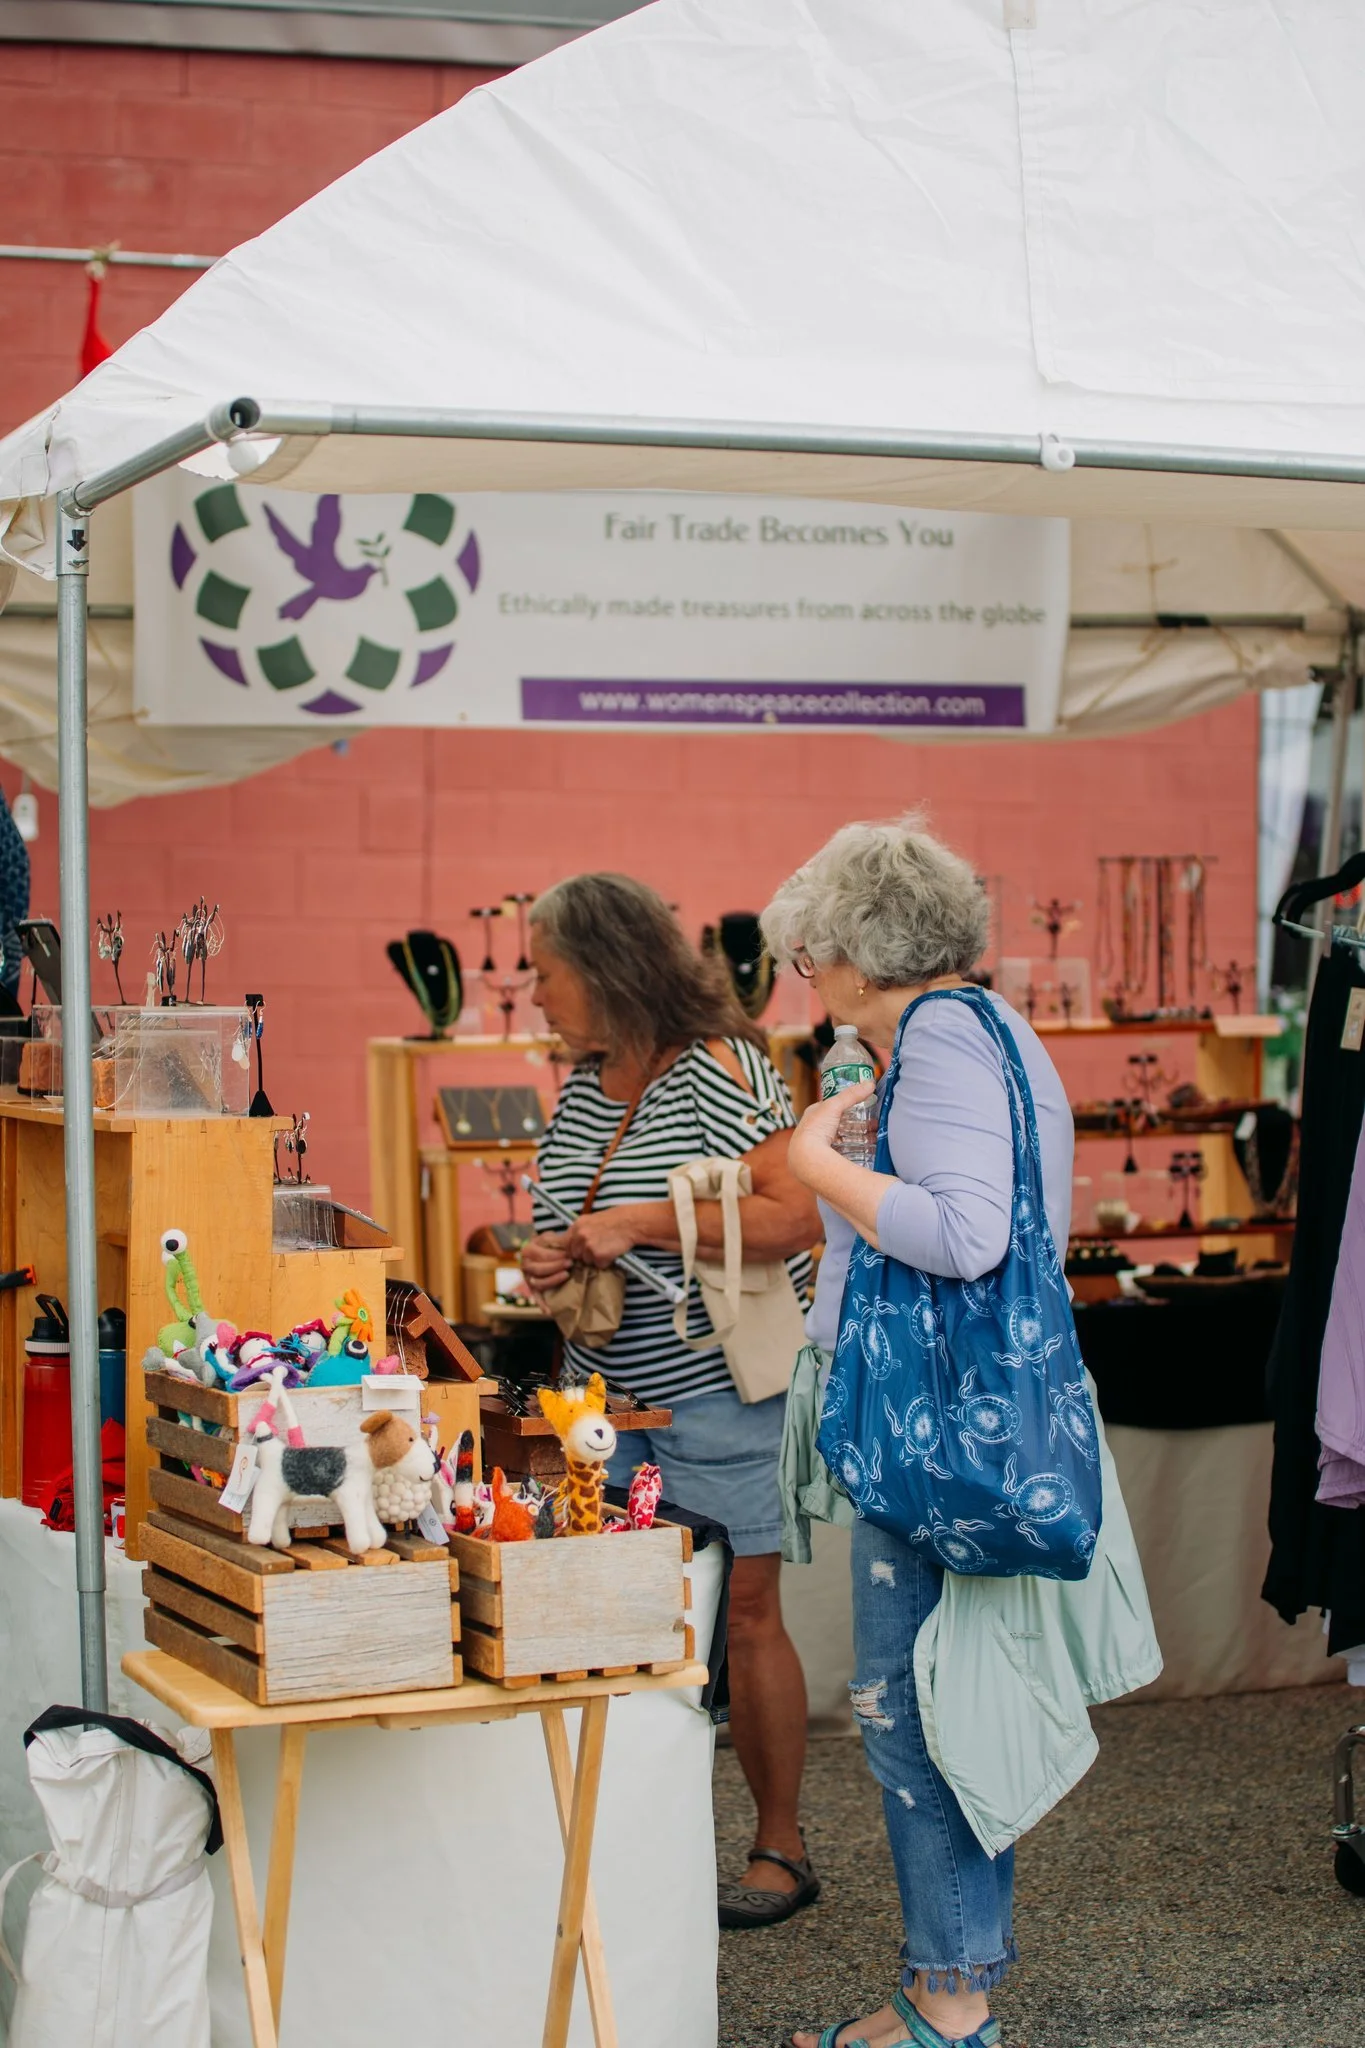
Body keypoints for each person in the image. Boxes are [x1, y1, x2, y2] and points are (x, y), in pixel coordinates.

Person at [760, 816, 1076, 2048]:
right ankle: (950, 1988)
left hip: (932, 1422)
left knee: (907, 1703)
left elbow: (965, 1235)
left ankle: (951, 2002)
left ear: (854, 949)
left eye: (811, 955)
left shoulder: (940, 1035)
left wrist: (814, 1159)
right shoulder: (991, 1029)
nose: (810, 978)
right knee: (937, 1698)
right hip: (971, 1411)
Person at [520, 872, 824, 1927]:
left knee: (744, 1613)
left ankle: (779, 1843)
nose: (533, 991)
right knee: (615, 1616)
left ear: (606, 969)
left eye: (544, 970)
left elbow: (797, 1219)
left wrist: (638, 1221)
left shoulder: (723, 1069)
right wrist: (550, 1257)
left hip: (722, 1395)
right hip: (601, 1403)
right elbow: (575, 1214)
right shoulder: (584, 1084)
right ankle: (636, 1841)